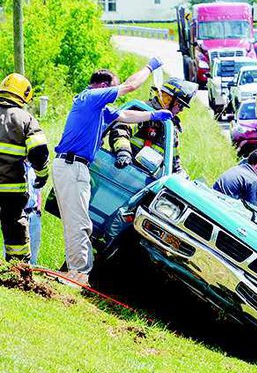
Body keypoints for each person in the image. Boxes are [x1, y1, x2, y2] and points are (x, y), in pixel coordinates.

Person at [53, 58, 173, 286]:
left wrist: (153, 116)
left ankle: (77, 273)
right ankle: (77, 275)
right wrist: (150, 66)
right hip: (71, 165)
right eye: (111, 88)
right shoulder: (90, 98)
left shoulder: (96, 109)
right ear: (101, 86)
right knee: (79, 224)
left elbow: (124, 116)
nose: (114, 93)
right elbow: (130, 86)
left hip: (76, 167)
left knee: (80, 223)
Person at [0, 73, 49, 263]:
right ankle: (17, 271)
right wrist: (42, 175)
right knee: (15, 230)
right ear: (24, 95)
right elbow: (39, 152)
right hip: (11, 190)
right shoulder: (25, 119)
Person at [109, 78, 198, 174]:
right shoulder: (142, 113)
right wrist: (124, 152)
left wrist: (182, 177)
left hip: (145, 181)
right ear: (168, 100)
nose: (181, 110)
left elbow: (174, 163)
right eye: (180, 105)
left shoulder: (170, 128)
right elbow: (121, 131)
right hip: (121, 169)